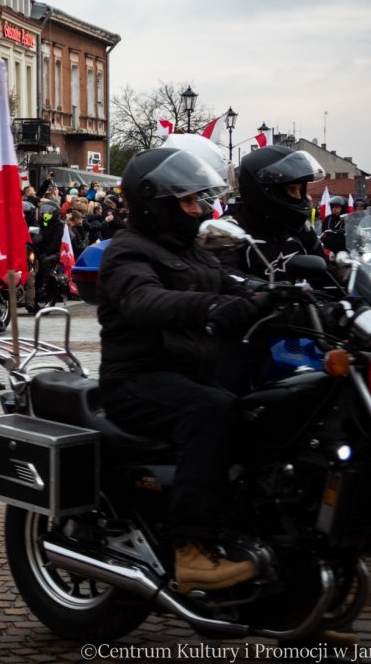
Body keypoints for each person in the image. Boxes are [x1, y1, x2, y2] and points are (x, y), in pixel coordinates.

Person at [97, 147, 266, 594]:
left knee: (269, 409)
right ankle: (191, 549)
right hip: (136, 381)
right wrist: (212, 306)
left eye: (199, 200)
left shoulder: (193, 250)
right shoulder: (126, 251)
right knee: (211, 409)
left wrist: (275, 294)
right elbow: (143, 301)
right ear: (157, 202)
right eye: (189, 201)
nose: (199, 209)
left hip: (187, 374)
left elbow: (232, 282)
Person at [220, 145, 325, 279]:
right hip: (251, 299)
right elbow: (224, 273)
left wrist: (346, 274)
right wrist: (261, 289)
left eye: (301, 190)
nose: (299, 197)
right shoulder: (230, 226)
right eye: (291, 190)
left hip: (306, 300)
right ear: (264, 190)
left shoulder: (298, 225)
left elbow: (324, 266)